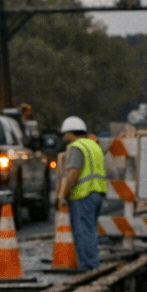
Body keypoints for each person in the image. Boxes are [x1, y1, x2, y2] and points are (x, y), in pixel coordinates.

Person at [55, 116, 107, 270]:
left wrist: (63, 195)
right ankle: (92, 264)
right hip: (97, 193)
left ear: (70, 133)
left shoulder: (76, 147)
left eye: (65, 133)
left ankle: (89, 266)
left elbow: (73, 173)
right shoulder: (93, 146)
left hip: (83, 195)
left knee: (82, 232)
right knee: (90, 231)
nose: (64, 137)